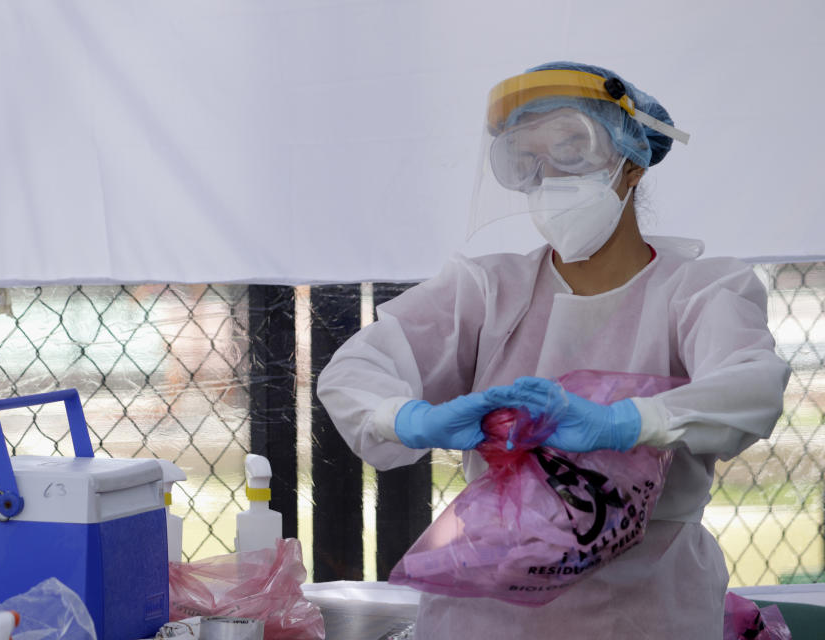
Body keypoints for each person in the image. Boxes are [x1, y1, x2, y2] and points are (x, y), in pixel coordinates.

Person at [316, 61, 791, 637]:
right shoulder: (486, 290)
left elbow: (752, 386)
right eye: (526, 160)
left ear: (632, 162)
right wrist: (411, 418)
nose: (550, 178)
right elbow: (355, 371)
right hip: (487, 613)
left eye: (572, 149)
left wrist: (626, 423)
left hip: (647, 610)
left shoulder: (701, 291)